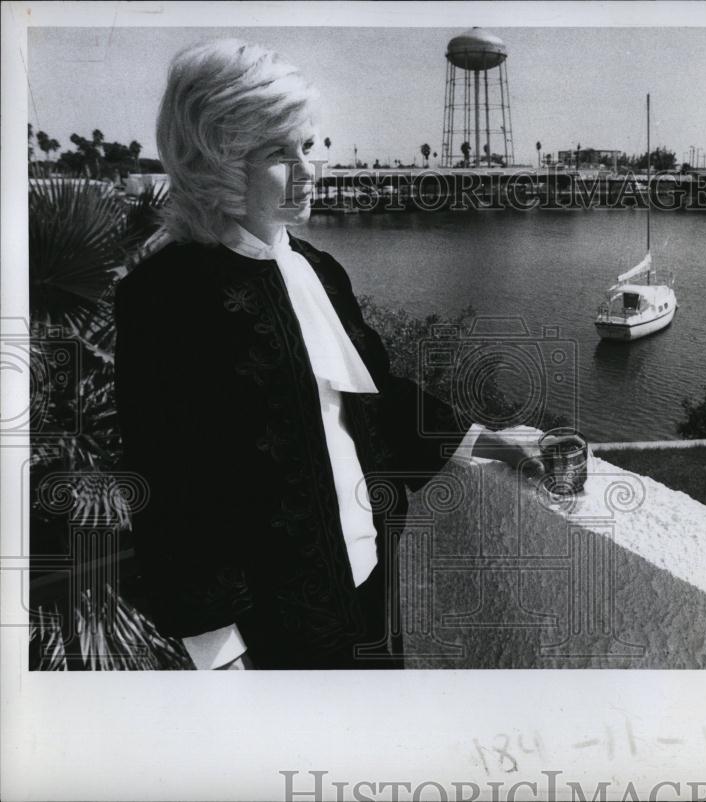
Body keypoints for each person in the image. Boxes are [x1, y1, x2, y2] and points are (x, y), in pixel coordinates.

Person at [114, 39, 542, 670]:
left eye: (310, 146)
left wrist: (488, 440)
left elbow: (376, 397)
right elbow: (168, 483)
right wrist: (219, 651)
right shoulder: (167, 295)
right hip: (271, 623)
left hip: (369, 580)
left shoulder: (319, 269)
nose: (312, 171)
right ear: (219, 164)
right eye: (280, 154)